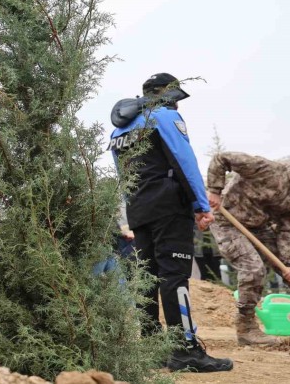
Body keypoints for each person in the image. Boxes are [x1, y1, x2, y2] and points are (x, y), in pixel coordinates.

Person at [108, 73, 232, 373]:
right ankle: (185, 350)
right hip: (169, 209)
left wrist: (134, 208)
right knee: (174, 276)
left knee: (147, 278)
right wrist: (201, 206)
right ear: (167, 94)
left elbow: (124, 176)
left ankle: (153, 349)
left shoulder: (120, 130)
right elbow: (184, 160)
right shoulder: (164, 116)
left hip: (138, 210)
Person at [207, 152, 290, 345]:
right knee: (253, 268)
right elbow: (221, 158)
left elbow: (288, 232)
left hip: (259, 227)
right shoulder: (268, 170)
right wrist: (215, 191)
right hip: (227, 221)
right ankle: (246, 327)